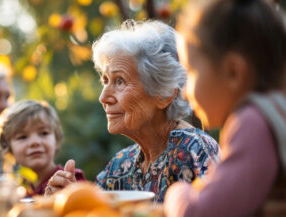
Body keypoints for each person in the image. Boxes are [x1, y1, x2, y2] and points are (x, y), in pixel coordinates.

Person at [45, 20, 220, 202]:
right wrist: (71, 198)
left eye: (119, 81)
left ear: (164, 95)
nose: (103, 97)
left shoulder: (195, 150)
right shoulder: (121, 165)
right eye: (105, 81)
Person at [164, 0, 286, 216]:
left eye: (191, 72)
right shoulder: (276, 113)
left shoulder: (252, 122)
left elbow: (200, 213)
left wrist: (177, 192)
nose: (184, 91)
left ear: (233, 73)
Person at [0, 100, 86, 196]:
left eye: (44, 133)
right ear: (9, 148)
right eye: (22, 137)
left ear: (56, 139)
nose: (35, 142)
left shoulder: (69, 181)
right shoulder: (19, 189)